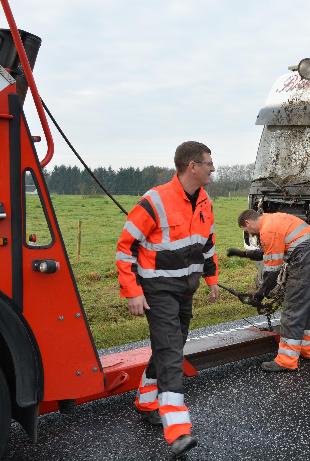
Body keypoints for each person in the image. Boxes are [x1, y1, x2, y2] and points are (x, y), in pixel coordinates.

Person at [115, 141, 218, 458]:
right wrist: (132, 291)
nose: (213, 168)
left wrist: (211, 279)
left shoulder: (205, 203)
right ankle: (177, 428)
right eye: (208, 163)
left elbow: (207, 243)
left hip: (186, 288)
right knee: (172, 350)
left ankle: (147, 400)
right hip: (157, 290)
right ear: (192, 166)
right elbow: (125, 248)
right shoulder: (154, 200)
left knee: (172, 343)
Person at [228, 210, 310, 372]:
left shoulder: (268, 231)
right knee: (308, 307)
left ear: (247, 223)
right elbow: (269, 251)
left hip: (305, 260)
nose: (250, 234)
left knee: (293, 309)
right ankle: (306, 349)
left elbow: (272, 272)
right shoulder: (272, 220)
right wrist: (243, 254)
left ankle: (287, 360)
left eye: (246, 231)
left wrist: (259, 295)